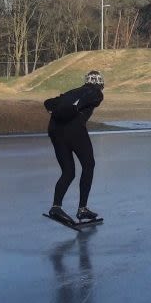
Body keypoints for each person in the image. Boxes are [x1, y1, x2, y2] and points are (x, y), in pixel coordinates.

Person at [43, 70, 106, 225]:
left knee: (68, 171)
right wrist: (77, 108)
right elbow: (83, 101)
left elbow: (49, 103)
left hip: (55, 130)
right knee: (89, 165)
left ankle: (56, 207)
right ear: (100, 84)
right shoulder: (96, 93)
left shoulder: (72, 92)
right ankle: (82, 209)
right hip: (74, 130)